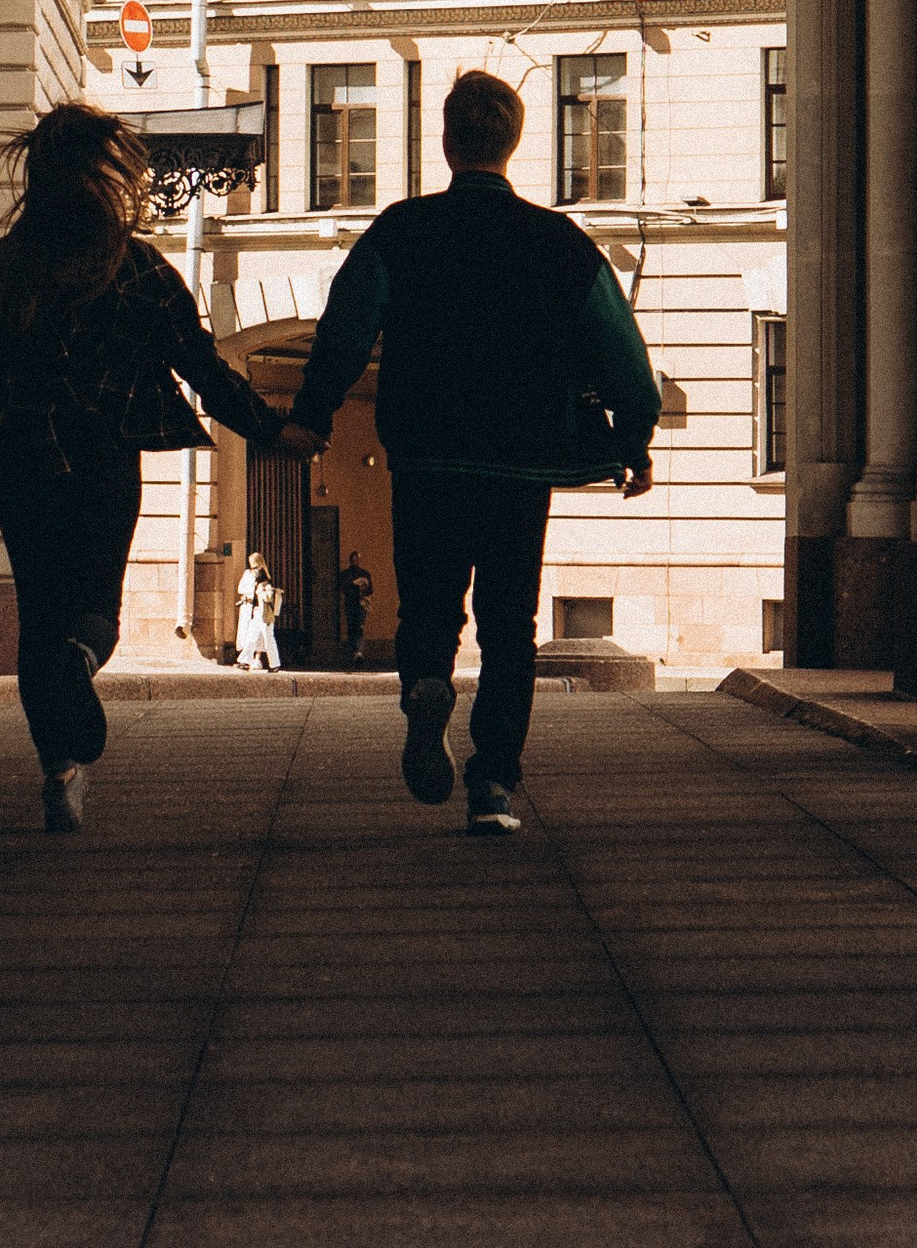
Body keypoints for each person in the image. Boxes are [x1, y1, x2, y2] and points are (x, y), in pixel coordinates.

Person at [0, 102, 285, 829]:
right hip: (103, 461)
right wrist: (276, 430)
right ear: (100, 176)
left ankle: (59, 771)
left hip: (26, 461)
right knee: (95, 608)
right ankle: (82, 659)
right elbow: (206, 371)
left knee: (37, 620)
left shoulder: (3, 271)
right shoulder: (138, 269)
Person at [281, 69, 659, 833]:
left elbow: (344, 330)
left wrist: (314, 414)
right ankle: (492, 785)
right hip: (523, 462)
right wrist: (633, 439)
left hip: (427, 456)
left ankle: (426, 684)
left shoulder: (401, 230)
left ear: (447, 141)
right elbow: (625, 355)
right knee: (509, 621)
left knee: (429, 603)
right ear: (514, 142)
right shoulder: (562, 243)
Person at [234, 549, 283, 672]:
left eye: (254, 566)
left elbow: (267, 595)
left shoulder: (264, 577)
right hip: (257, 611)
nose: (253, 569)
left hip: (264, 611)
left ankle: (275, 664)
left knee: (268, 637)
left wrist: (259, 591)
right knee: (251, 636)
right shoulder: (257, 576)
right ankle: (244, 661)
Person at [339, 549, 373, 658]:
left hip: (361, 603)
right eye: (353, 560)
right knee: (351, 626)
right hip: (350, 602)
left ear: (359, 561)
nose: (354, 562)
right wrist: (353, 584)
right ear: (350, 561)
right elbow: (343, 588)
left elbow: (371, 590)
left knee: (359, 626)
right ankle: (353, 650)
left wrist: (364, 588)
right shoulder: (345, 574)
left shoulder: (365, 573)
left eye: (356, 560)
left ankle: (359, 650)